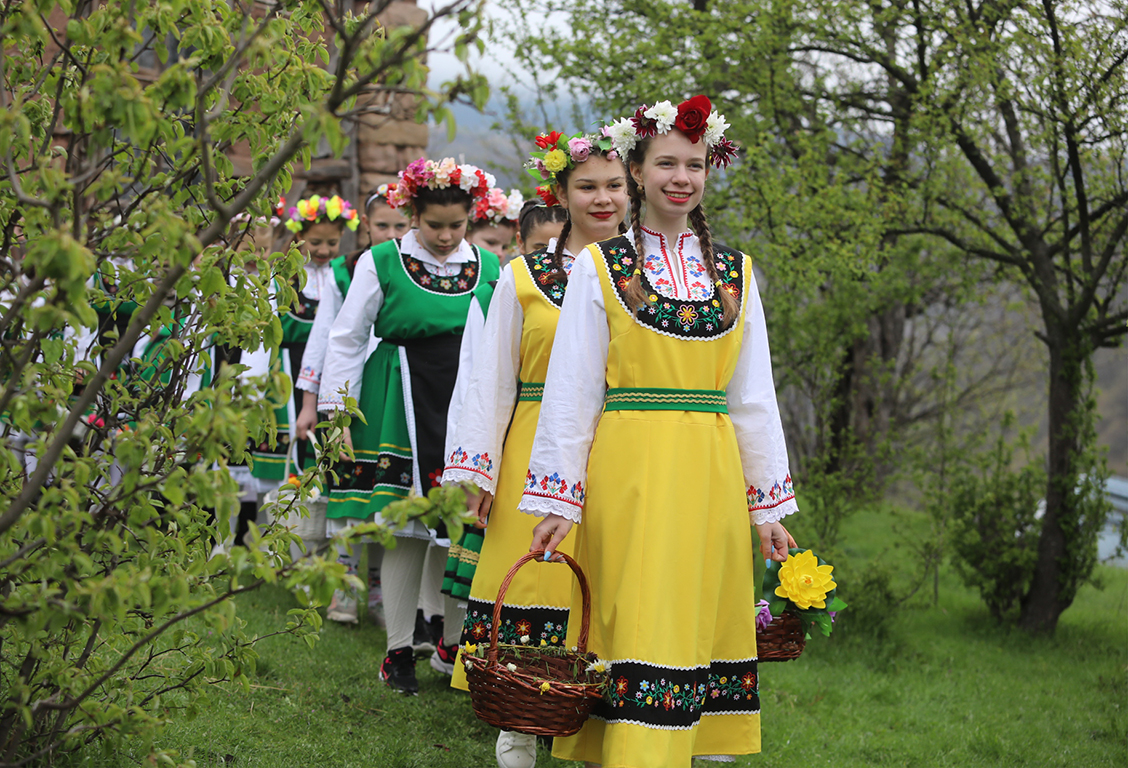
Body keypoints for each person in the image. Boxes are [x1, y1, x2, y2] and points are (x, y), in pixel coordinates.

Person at [519, 97, 797, 768]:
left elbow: (753, 397)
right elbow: (573, 391)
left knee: (704, 612)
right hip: (632, 470)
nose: (682, 177)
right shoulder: (601, 266)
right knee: (638, 614)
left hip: (710, 470)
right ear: (636, 172)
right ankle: (635, 752)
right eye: (666, 162)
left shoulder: (737, 273)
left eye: (695, 164)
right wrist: (559, 500)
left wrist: (769, 508)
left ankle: (696, 748)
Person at [442, 127, 627, 768]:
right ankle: (519, 728)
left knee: (601, 584)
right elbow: (489, 379)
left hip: (618, 447)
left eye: (614, 185)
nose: (602, 199)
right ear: (562, 193)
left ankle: (601, 724)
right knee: (531, 583)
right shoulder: (525, 276)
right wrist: (476, 469)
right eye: (587, 187)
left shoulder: (648, 280)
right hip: (530, 444)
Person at [319, 157, 501, 695]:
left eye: (456, 225)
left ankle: (448, 639)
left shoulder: (491, 268)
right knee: (404, 527)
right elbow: (347, 338)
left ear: (472, 216)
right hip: (397, 391)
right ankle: (398, 649)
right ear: (412, 213)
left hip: (465, 398)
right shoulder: (382, 261)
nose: (445, 237)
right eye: (434, 224)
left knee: (458, 520)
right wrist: (338, 412)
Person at [292, 185, 410, 625]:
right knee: (348, 489)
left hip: (393, 395)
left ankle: (377, 587)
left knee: (385, 493)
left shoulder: (414, 272)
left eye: (400, 226)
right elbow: (324, 340)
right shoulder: (346, 270)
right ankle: (343, 583)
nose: (391, 233)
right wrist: (312, 404)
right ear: (366, 225)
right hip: (348, 395)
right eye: (382, 225)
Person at [250, 194, 358, 505]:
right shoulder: (282, 278)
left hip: (332, 369)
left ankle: (319, 502)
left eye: (332, 243)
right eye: (316, 242)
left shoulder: (343, 278)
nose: (324, 250)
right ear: (299, 237)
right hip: (287, 364)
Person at [465, 188, 523, 265]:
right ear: (466, 235)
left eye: (504, 247)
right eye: (491, 243)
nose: (499, 253)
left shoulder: (503, 276)